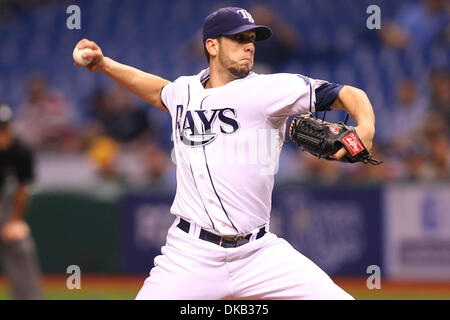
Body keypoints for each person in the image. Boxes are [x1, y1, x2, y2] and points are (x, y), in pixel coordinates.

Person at [74, 7, 376, 300]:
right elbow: (158, 91)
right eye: (239, 39)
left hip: (258, 254)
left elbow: (348, 94)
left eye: (252, 40)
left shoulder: (270, 89)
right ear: (212, 45)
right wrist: (103, 65)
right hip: (190, 254)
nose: (249, 46)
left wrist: (366, 128)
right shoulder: (185, 91)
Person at [0, 104, 42, 300]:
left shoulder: (20, 150)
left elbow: (23, 188)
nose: (3, 133)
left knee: (21, 247)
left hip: (6, 203)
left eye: (5, 128)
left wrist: (15, 220)